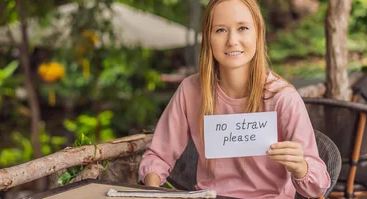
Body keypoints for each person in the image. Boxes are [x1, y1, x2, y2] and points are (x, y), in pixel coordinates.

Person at [138, 0, 331, 198]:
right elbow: (159, 155)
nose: (232, 40)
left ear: (258, 34)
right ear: (208, 38)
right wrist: (152, 190)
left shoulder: (283, 98)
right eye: (221, 30)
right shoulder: (191, 90)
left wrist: (300, 167)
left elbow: (318, 189)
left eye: (243, 28)